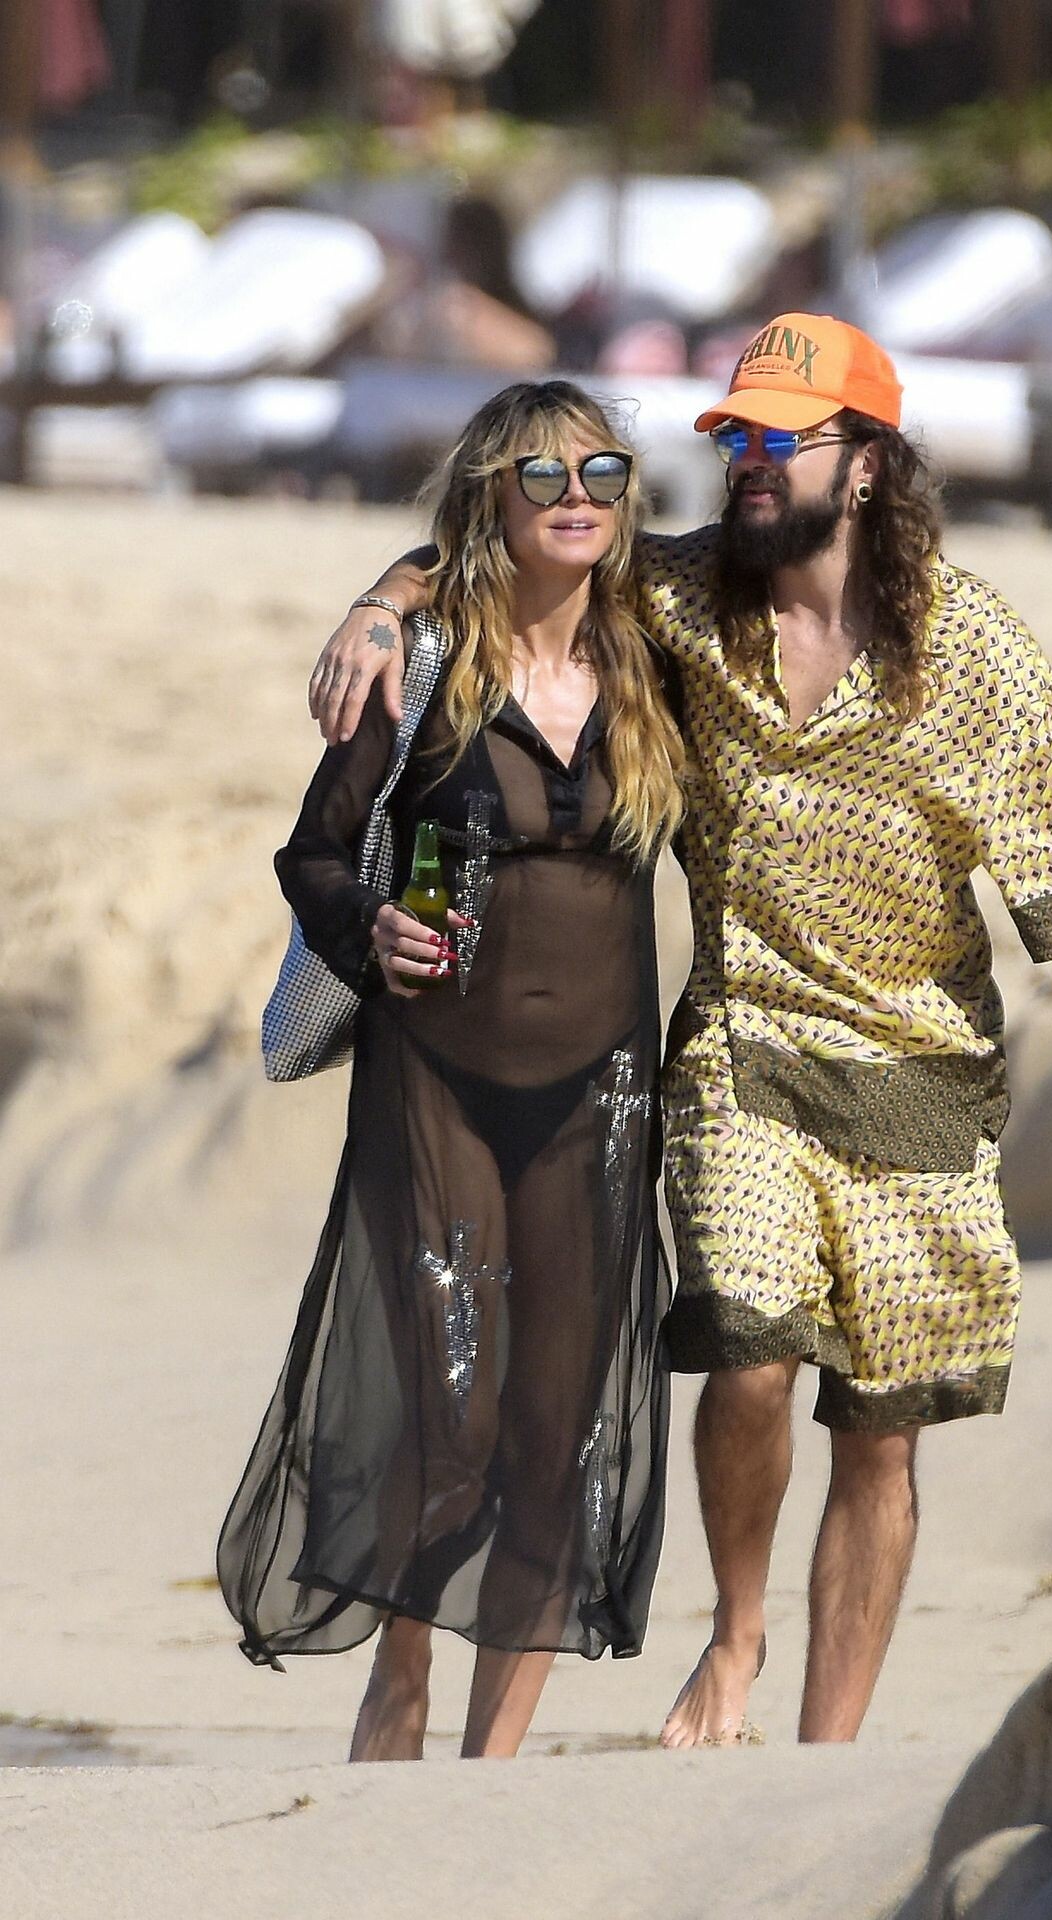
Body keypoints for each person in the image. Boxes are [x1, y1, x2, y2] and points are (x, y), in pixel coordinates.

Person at [307, 313, 1052, 1749]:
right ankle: (738, 1633)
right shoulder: (690, 598)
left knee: (879, 1435)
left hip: (924, 1073)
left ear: (868, 463)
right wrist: (382, 601)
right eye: (735, 438)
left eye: (781, 439)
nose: (750, 462)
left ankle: (820, 1768)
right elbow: (523, 539)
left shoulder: (975, 649)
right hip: (743, 1045)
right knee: (751, 1349)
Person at [218, 380, 684, 1761]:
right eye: (543, 478)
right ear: (493, 496)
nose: (578, 499)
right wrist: (371, 924)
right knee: (455, 1419)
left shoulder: (658, 653)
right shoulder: (420, 666)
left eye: (602, 473)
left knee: (557, 1434)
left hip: (602, 1089)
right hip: (436, 1079)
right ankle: (403, 1669)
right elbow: (312, 851)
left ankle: (489, 1781)